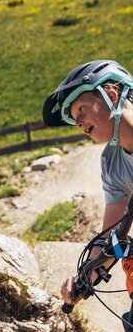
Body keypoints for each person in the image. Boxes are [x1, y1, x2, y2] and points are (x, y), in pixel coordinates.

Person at [42, 58, 133, 304]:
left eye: (81, 108)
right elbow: (111, 237)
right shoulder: (112, 164)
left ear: (112, 96)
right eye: (74, 119)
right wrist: (83, 281)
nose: (79, 123)